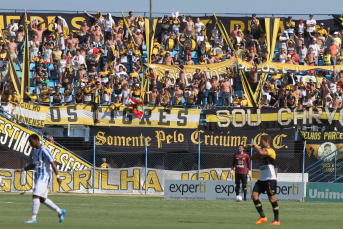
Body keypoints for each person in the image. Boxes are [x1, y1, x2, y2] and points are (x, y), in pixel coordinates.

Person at [14, 134, 66, 224]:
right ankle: (60, 211)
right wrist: (22, 169)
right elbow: (34, 164)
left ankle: (33, 218)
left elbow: (53, 163)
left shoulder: (44, 150)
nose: (30, 144)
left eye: (31, 142)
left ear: (37, 140)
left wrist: (58, 176)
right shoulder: (35, 151)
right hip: (38, 176)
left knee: (35, 195)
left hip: (44, 177)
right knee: (42, 199)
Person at [247, 134, 280, 225]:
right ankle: (263, 217)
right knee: (254, 196)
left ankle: (276, 220)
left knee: (272, 199)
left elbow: (262, 153)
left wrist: (254, 146)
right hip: (262, 179)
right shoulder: (261, 151)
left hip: (270, 179)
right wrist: (257, 152)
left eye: (261, 142)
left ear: (266, 142)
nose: (260, 143)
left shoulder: (271, 151)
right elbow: (252, 158)